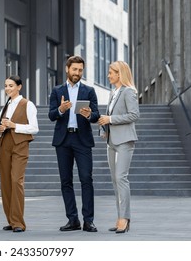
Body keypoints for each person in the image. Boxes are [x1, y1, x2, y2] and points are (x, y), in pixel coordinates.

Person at [48, 55, 100, 232]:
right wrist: (61, 110)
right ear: (67, 69)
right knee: (66, 181)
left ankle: (88, 220)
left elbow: (96, 116)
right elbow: (51, 115)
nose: (77, 73)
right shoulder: (57, 91)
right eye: (74, 69)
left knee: (86, 178)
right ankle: (73, 219)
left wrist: (89, 115)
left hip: (82, 139)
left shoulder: (89, 91)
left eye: (80, 70)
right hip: (63, 140)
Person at [98, 61, 139, 234]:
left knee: (121, 178)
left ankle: (125, 218)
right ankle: (119, 217)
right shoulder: (113, 92)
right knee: (115, 180)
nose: (108, 75)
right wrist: (104, 128)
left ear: (119, 73)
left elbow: (134, 115)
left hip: (125, 140)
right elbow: (109, 114)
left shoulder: (128, 92)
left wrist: (111, 120)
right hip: (112, 141)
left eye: (111, 73)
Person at [0, 75, 39, 233]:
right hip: (5, 145)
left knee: (16, 181)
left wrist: (14, 125)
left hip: (20, 145)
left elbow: (34, 128)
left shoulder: (28, 104)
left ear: (19, 87)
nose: (7, 89)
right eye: (6, 86)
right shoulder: (5, 106)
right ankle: (11, 220)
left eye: (11, 86)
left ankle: (18, 222)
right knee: (5, 183)